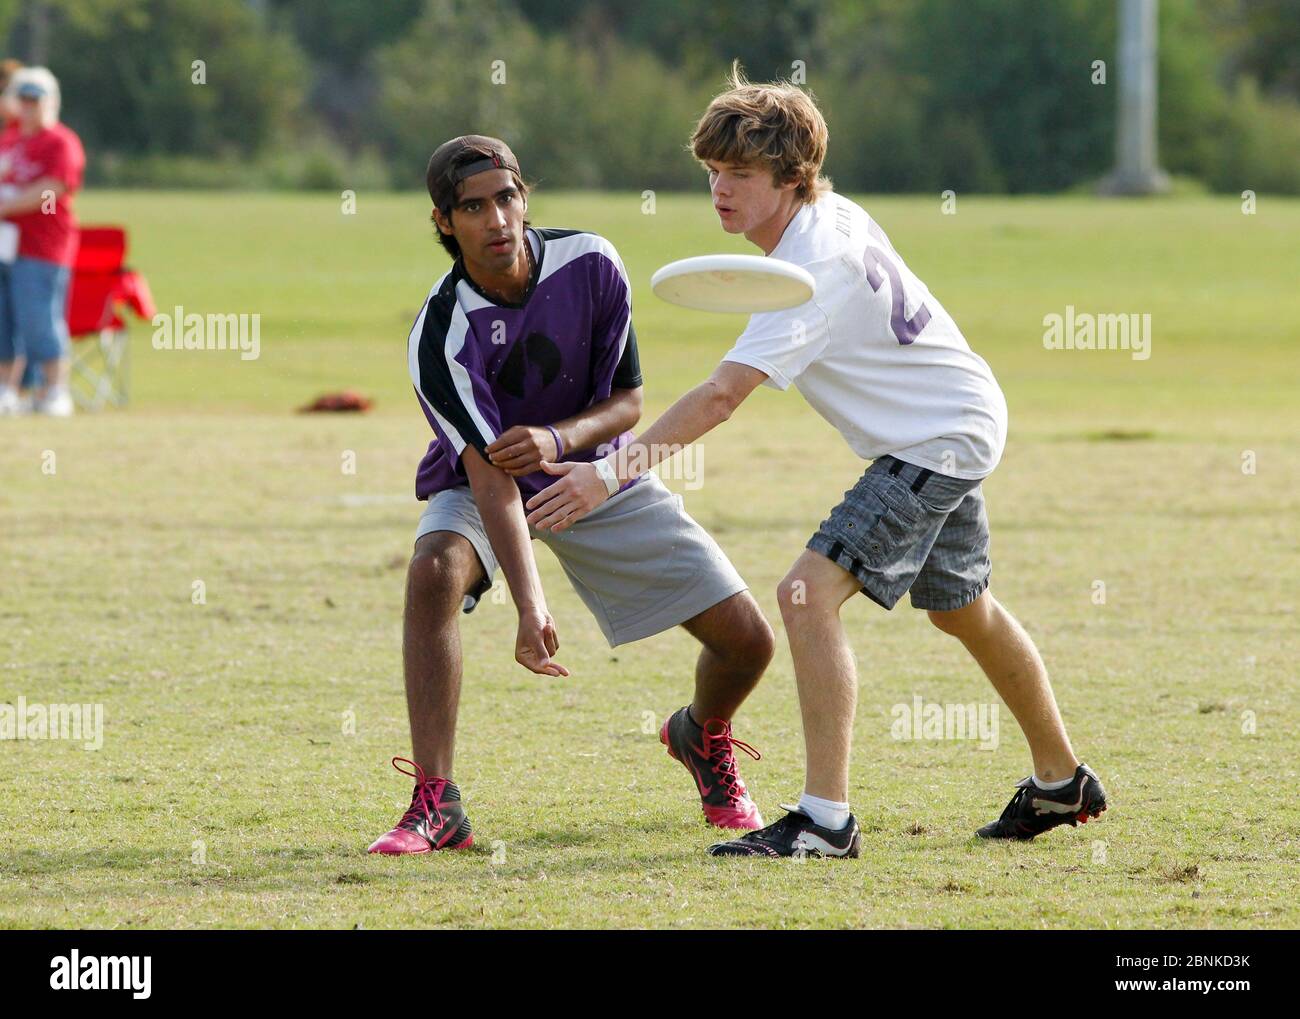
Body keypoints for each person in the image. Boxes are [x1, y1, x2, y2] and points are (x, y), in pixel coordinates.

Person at [525, 69, 1108, 858]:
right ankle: (1060, 780)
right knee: (961, 609)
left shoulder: (810, 273)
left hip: (933, 440)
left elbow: (723, 395)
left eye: (741, 175)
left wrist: (606, 472)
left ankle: (824, 821)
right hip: (960, 418)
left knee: (804, 594)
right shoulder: (830, 218)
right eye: (712, 174)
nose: (720, 191)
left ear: (792, 179)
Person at [368, 135, 775, 855]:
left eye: (506, 198)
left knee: (750, 642)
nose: (496, 219)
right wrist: (530, 606)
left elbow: (628, 400)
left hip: (593, 473)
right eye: (473, 207)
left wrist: (559, 440)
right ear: (442, 221)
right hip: (484, 484)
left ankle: (700, 734)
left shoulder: (591, 263)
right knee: (433, 569)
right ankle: (438, 802)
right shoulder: (438, 333)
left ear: (525, 197)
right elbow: (492, 478)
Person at [0, 66, 84, 417]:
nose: (30, 107)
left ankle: (55, 390)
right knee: (4, 320)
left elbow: (51, 189)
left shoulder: (60, 142)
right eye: (24, 99)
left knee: (39, 319)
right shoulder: (11, 139)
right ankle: (8, 389)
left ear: (51, 102)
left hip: (43, 247)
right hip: (6, 245)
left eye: (36, 99)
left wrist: (7, 203)